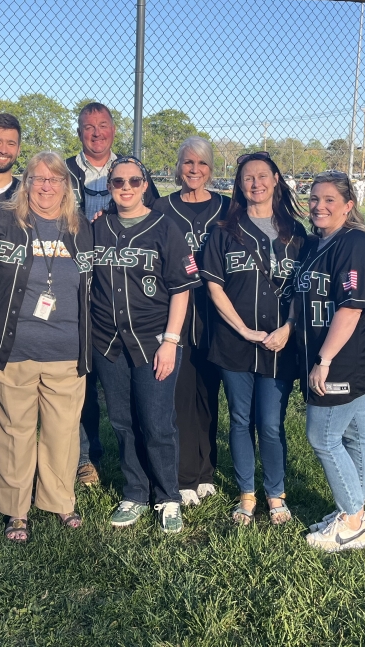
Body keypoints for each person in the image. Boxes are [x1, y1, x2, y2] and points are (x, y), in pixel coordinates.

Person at [0, 151, 93, 541]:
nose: (46, 186)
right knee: (13, 430)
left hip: (67, 350)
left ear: (66, 187)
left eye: (55, 179)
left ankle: (60, 500)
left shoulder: (82, 229)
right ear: (25, 184)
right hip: (14, 349)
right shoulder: (1, 221)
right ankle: (16, 510)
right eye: (37, 178)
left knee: (62, 432)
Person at [91, 156, 201, 533]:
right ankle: (135, 492)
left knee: (156, 422)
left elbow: (182, 290)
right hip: (109, 341)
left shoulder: (165, 227)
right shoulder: (98, 228)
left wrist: (171, 341)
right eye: (118, 181)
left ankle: (168, 496)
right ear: (109, 187)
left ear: (145, 185)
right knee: (123, 421)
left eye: (134, 181)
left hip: (155, 340)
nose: (125, 187)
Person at [201, 151, 308, 526]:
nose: (256, 183)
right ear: (239, 184)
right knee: (241, 419)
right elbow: (214, 285)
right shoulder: (224, 230)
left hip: (281, 344)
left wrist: (289, 328)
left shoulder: (296, 234)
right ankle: (247, 494)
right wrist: (243, 330)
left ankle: (276, 494)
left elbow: (303, 291)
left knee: (272, 423)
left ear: (276, 179)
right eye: (248, 177)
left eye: (263, 176)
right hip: (235, 343)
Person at [65, 102, 160, 487]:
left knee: (131, 385)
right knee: (82, 377)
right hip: (73, 283)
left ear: (114, 130)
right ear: (79, 132)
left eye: (103, 126)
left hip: (120, 288)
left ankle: (141, 458)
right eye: (88, 127)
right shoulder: (65, 171)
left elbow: (149, 217)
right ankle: (86, 458)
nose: (96, 133)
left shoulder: (130, 170)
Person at [294, 170, 365, 552]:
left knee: (323, 436)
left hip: (345, 358)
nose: (319, 206)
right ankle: (357, 511)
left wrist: (324, 359)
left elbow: (349, 309)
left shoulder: (355, 245)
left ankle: (351, 522)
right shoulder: (323, 241)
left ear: (349, 205)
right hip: (342, 355)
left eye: (330, 200)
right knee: (353, 433)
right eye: (315, 198)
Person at [152, 137, 229, 507]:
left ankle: (206, 471)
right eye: (187, 163)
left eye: (201, 164)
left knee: (208, 393)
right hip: (176, 311)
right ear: (177, 167)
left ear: (211, 170)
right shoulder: (162, 207)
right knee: (180, 395)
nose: (194, 170)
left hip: (218, 313)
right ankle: (184, 476)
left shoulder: (228, 209)